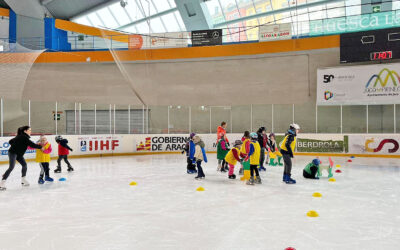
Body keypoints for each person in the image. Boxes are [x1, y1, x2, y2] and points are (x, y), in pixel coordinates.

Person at [0, 126, 43, 190]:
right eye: (29, 130)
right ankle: (2, 183)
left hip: (19, 154)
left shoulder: (21, 136)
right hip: (13, 153)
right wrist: (41, 147)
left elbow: (10, 141)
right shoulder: (23, 137)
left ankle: (23, 180)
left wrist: (17, 145)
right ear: (25, 131)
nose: (30, 131)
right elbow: (32, 145)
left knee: (24, 165)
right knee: (11, 167)